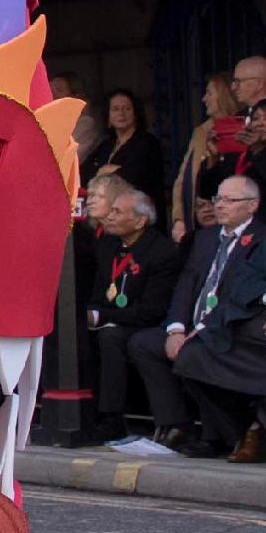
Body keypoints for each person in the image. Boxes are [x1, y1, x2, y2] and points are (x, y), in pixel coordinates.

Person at [114, 170, 266, 461]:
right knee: (143, 343)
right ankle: (176, 426)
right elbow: (186, 284)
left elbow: (243, 294)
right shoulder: (205, 238)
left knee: (194, 354)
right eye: (217, 198)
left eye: (230, 200)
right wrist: (175, 329)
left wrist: (199, 329)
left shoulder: (265, 239)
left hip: (225, 327)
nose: (219, 205)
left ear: (252, 205)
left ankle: (225, 434)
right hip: (190, 327)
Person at [77, 180, 182, 443]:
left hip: (145, 323)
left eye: (117, 213)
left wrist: (103, 317)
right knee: (75, 333)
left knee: (110, 337)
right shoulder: (108, 246)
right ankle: (80, 412)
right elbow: (97, 293)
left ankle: (112, 418)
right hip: (110, 319)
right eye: (110, 211)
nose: (109, 217)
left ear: (139, 221)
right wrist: (90, 313)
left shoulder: (162, 252)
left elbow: (152, 310)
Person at [171, 70, 244, 238]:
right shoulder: (201, 132)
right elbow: (183, 178)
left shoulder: (243, 129)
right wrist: (179, 218)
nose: (204, 99)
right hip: (201, 221)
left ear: (224, 95)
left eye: (209, 93)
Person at [88, 87, 171, 212]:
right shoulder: (106, 144)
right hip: (108, 216)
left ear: (136, 114)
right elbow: (85, 173)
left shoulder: (147, 142)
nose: (121, 113)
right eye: (115, 109)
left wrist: (104, 174)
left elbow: (134, 177)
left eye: (127, 109)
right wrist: (107, 171)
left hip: (139, 216)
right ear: (108, 117)